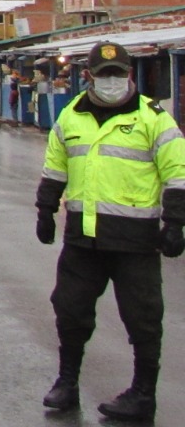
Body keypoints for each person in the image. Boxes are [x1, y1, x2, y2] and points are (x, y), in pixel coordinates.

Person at [35, 40, 185, 420]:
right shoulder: (71, 116)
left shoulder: (154, 118)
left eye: (118, 74)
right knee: (70, 311)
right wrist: (46, 210)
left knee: (144, 319)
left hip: (136, 243)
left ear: (129, 74)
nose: (112, 81)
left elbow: (178, 173)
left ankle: (143, 394)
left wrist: (175, 223)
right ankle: (66, 383)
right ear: (89, 76)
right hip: (83, 241)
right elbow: (55, 166)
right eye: (104, 75)